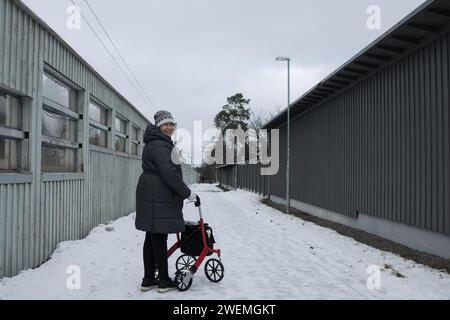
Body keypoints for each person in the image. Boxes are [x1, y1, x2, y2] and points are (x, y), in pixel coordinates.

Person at [135, 110, 197, 293]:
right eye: (165, 125)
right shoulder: (161, 146)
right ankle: (163, 280)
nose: (169, 127)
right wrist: (187, 193)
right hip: (158, 193)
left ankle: (148, 279)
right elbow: (169, 174)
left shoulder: (155, 143)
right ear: (158, 126)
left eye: (171, 124)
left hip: (152, 191)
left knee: (151, 236)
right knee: (159, 236)